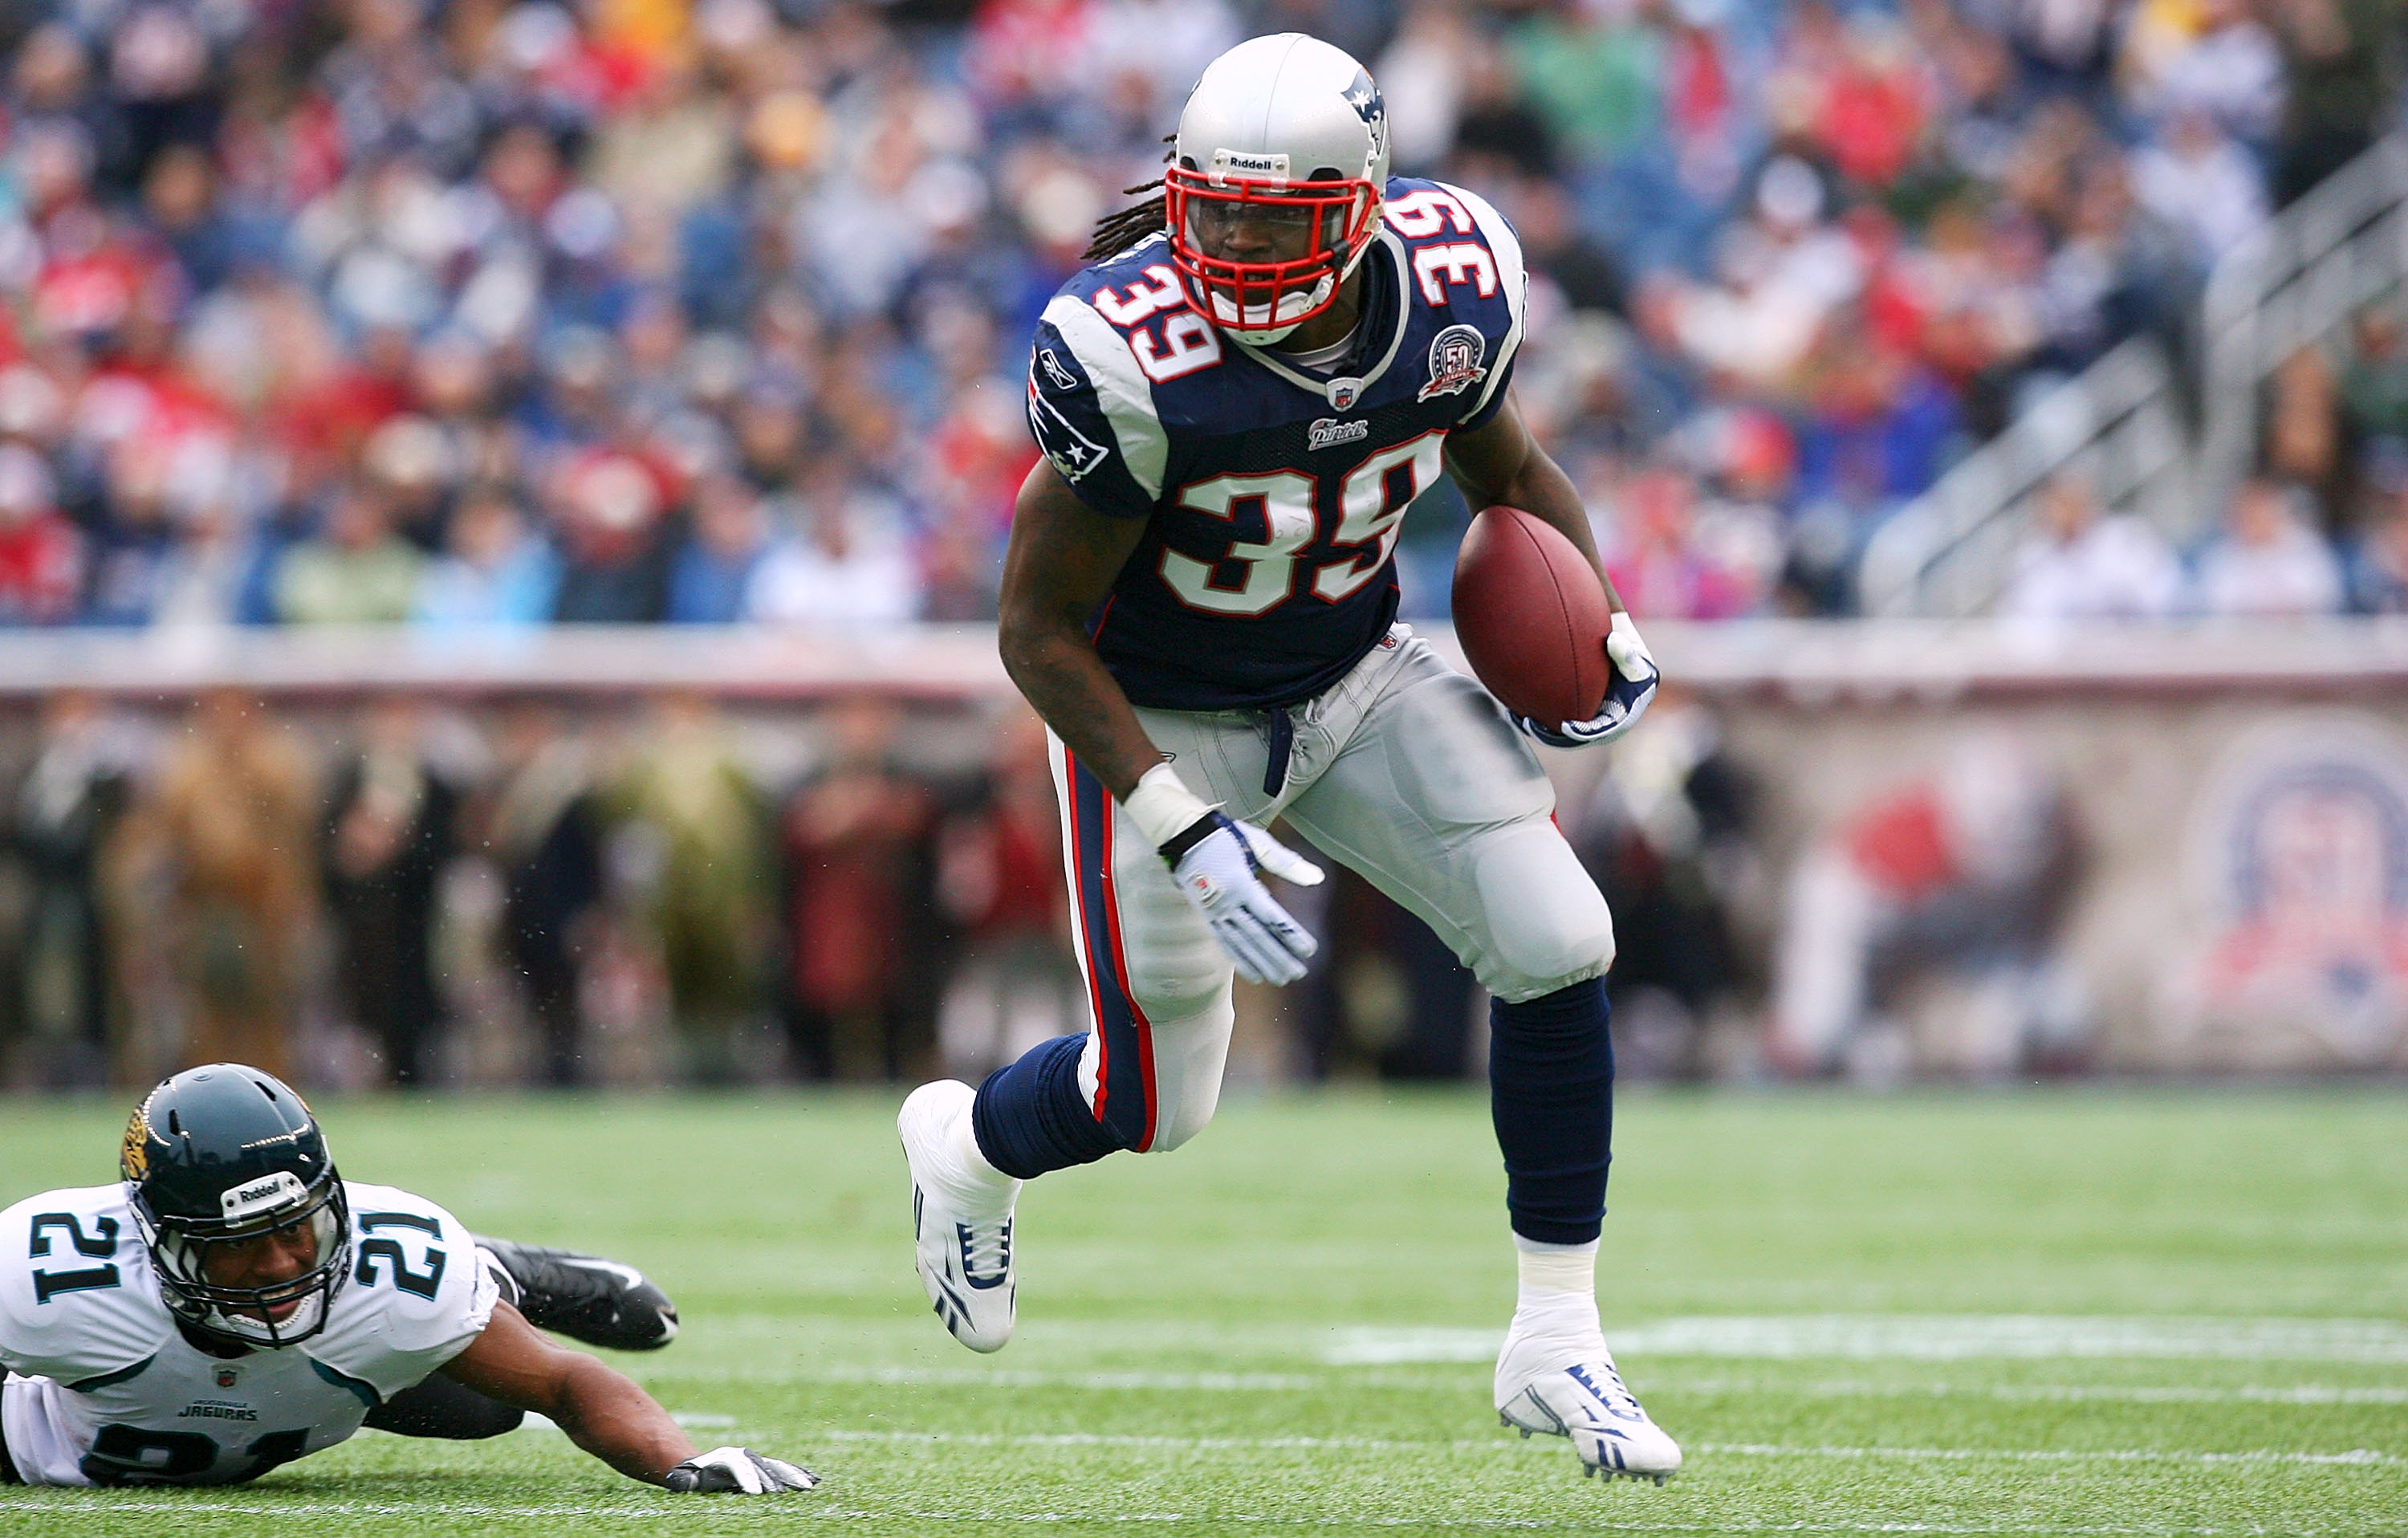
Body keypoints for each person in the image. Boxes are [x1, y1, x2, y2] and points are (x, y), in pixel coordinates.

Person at [896, 35, 1676, 1484]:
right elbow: (1035, 630)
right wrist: (1182, 821)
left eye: (1281, 217)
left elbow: (1505, 469)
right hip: (1161, 715)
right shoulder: (1129, 348)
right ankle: (965, 1149)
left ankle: (1558, 1335)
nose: (1242, 249)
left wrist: (1599, 613)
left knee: (1563, 937)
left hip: (1354, 677)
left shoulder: (1452, 283)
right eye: (1220, 211)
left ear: (1365, 201)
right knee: (1153, 1103)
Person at [0, 1062, 813, 1495]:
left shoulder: (382, 1278)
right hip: (57, 1432)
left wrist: (684, 1461)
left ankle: (493, 1274)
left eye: (299, 1227)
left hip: (327, 1388)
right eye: (241, 1245)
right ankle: (486, 1271)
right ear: (160, 1239)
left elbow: (568, 1382)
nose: (284, 1264)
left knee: (492, 1403)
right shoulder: (54, 1270)